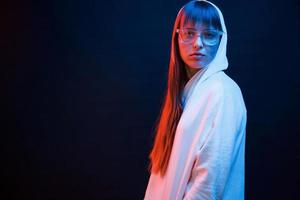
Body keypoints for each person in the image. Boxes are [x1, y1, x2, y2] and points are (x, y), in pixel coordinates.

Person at [144, 0, 247, 199]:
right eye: (189, 33)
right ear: (177, 36)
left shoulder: (222, 91)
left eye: (208, 35)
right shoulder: (187, 92)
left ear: (221, 40)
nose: (197, 44)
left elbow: (208, 182)